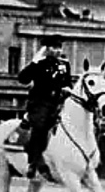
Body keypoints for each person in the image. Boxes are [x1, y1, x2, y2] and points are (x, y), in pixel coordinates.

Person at [16, 34, 74, 180]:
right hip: (40, 103)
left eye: (59, 47)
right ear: (46, 49)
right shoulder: (39, 64)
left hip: (58, 102)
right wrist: (34, 62)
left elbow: (67, 82)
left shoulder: (64, 64)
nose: (58, 51)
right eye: (54, 47)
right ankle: (33, 161)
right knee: (40, 127)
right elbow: (23, 79)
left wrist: (67, 88)